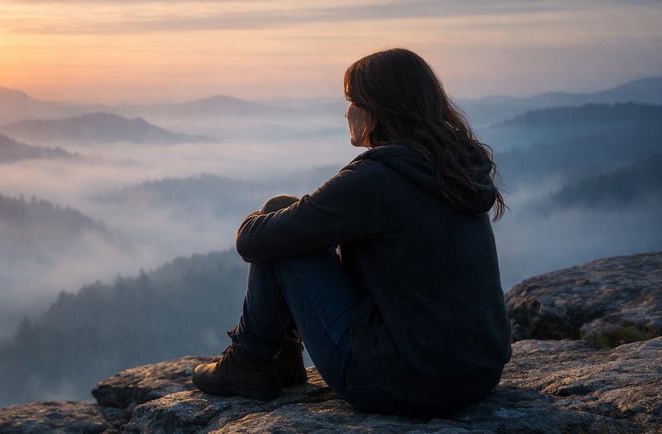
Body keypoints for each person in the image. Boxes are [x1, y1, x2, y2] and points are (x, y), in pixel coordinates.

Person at [192, 48, 512, 418]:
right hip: (478, 375)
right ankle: (274, 362)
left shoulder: (376, 181)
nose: (347, 112)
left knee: (277, 219)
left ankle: (249, 361)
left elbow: (252, 242)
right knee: (287, 217)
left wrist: (256, 220)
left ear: (376, 110)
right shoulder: (453, 165)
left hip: (399, 382)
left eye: (352, 101)